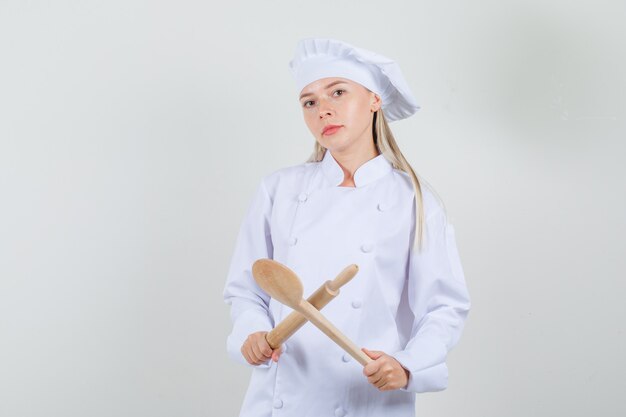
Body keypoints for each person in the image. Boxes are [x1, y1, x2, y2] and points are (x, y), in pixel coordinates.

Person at [222, 37, 471, 417]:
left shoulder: (415, 201)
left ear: (375, 100)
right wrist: (253, 334)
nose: (323, 110)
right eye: (310, 101)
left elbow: (443, 308)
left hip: (367, 397)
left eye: (337, 92)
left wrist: (406, 365)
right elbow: (246, 291)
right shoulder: (278, 190)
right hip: (280, 400)